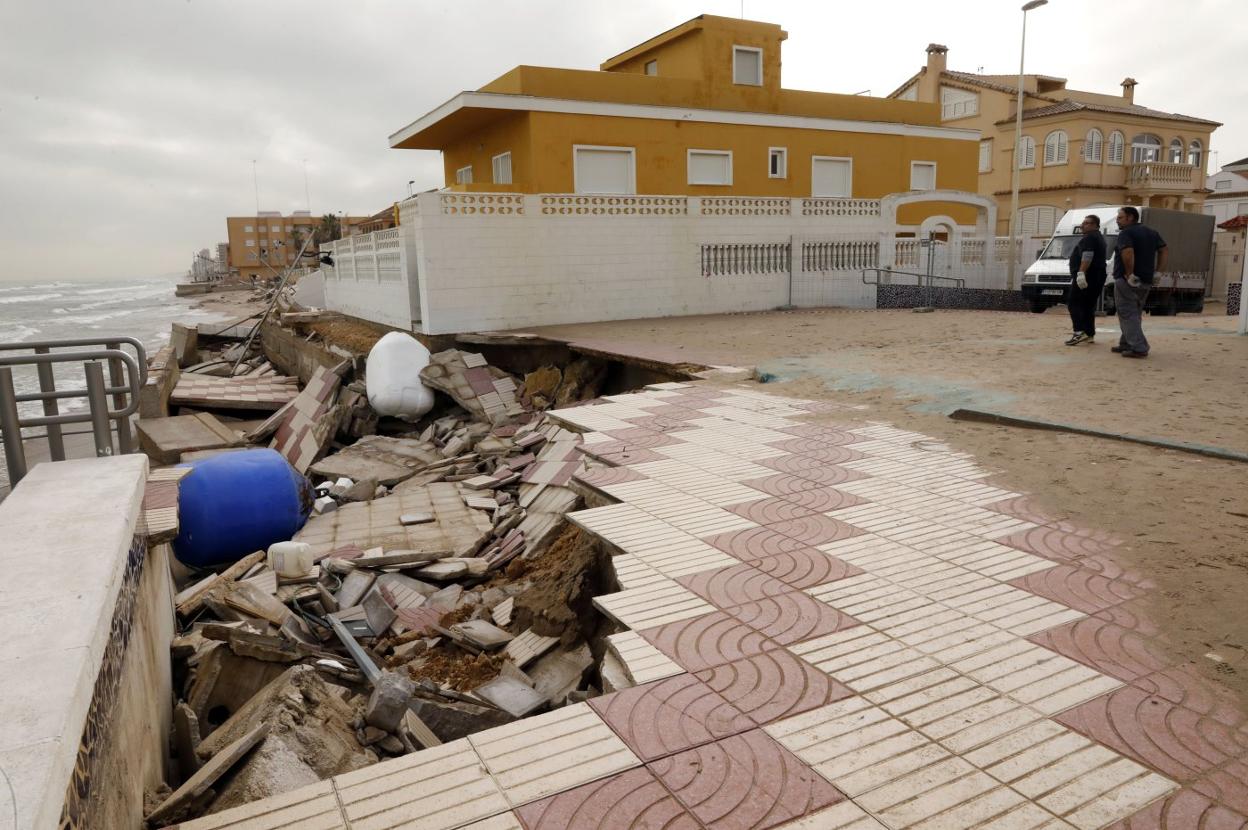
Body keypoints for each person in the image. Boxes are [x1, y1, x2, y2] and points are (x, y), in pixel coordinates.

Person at [1112, 206, 1167, 358]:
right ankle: (1126, 343)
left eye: (1120, 217)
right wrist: (1159, 272)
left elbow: (1128, 252)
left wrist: (1129, 274)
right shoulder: (1151, 232)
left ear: (1130, 218)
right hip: (1147, 279)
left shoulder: (1126, 233)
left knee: (1126, 312)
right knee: (1134, 313)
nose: (1117, 220)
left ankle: (1139, 347)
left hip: (1127, 280)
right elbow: (1164, 250)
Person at [1065, 214, 1107, 345]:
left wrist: (1081, 273)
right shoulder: (1099, 237)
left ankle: (1079, 332)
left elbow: (1087, 255)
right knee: (1088, 305)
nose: (1083, 225)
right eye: (1083, 223)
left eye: (1087, 223)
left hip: (1088, 276)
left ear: (1095, 225)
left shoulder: (1089, 237)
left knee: (1074, 303)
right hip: (1098, 276)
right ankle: (1089, 333)